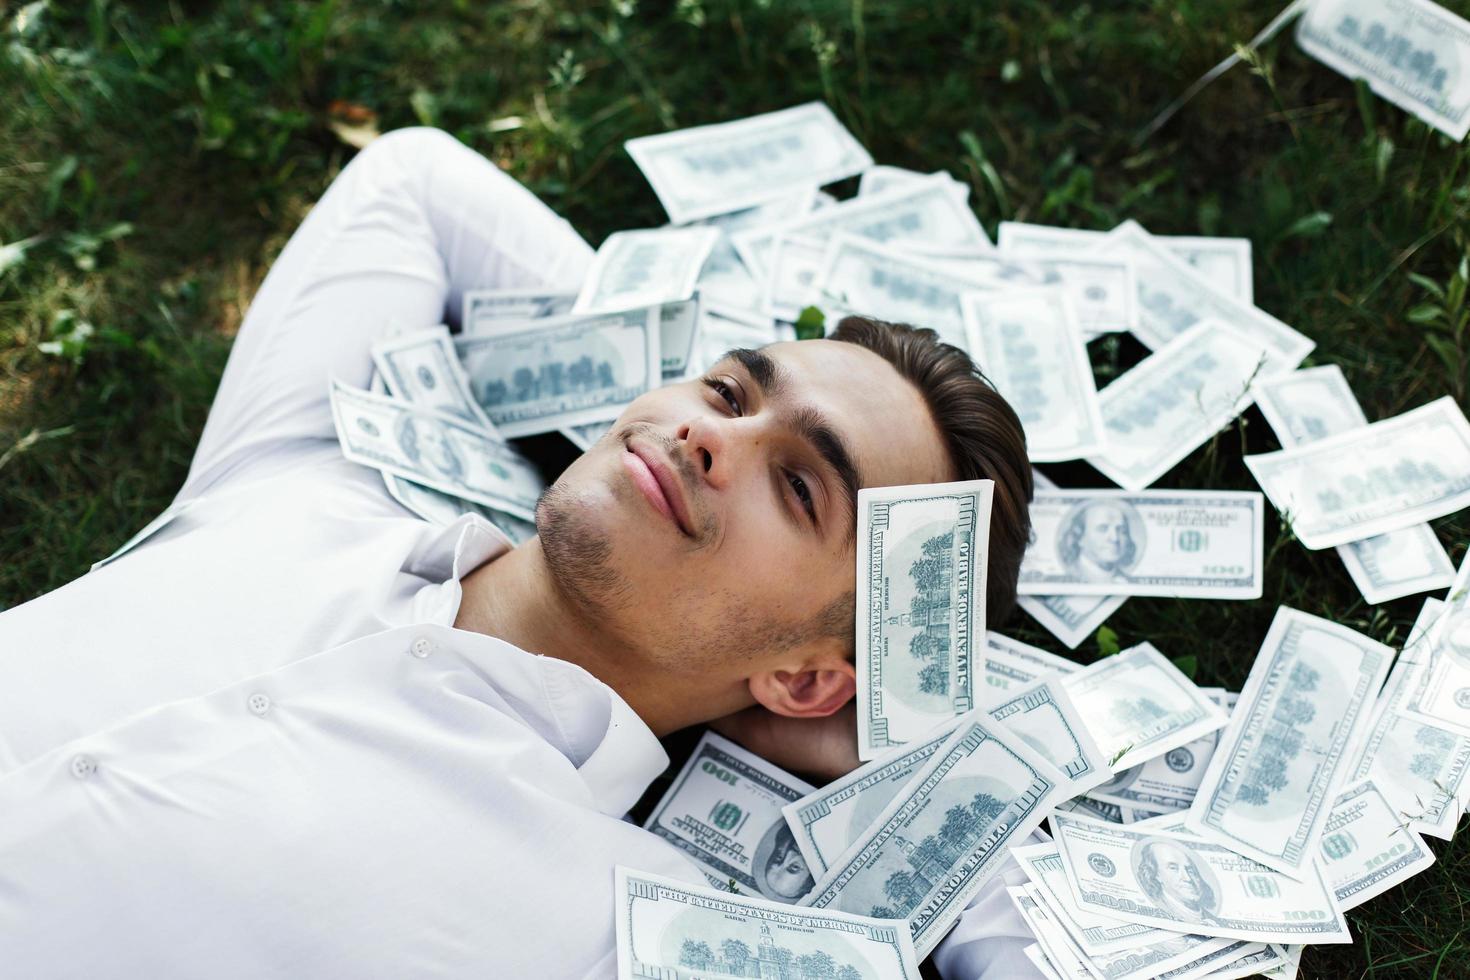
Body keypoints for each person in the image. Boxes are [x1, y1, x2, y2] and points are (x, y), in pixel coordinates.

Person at [0, 127, 1039, 977]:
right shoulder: (314, 472)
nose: (706, 432)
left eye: (799, 484)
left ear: (810, 676)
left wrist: (915, 759)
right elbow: (414, 183)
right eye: (727, 387)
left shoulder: (614, 926)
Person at [1135, 839, 1220, 924]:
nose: (1187, 878)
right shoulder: (1156, 911)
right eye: (1173, 868)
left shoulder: (1214, 920)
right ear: (1156, 874)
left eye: (1190, 870)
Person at [1058, 499, 1138, 583]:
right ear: (1080, 537)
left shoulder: (1126, 580)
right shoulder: (1070, 574)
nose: (1115, 538)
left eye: (1122, 530)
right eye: (1102, 529)